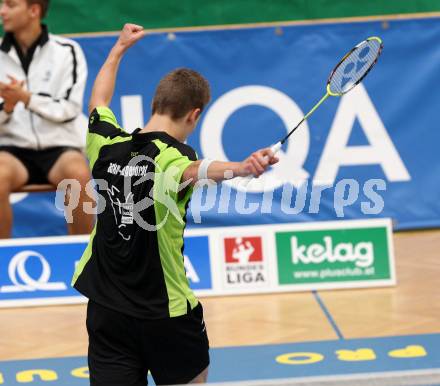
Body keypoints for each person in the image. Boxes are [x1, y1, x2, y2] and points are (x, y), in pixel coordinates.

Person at [71, 24, 279, 386]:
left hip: (106, 309)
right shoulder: (173, 158)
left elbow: (99, 102)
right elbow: (198, 170)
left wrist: (118, 49)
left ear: (156, 104)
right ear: (193, 115)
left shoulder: (104, 143)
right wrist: (243, 168)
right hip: (165, 312)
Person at [0, 0, 94, 238]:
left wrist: (26, 98)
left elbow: (69, 109)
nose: (2, 11)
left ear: (34, 11)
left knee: (79, 175)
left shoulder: (67, 51)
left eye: (10, 5)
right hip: (12, 150)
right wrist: (8, 107)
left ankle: (87, 261)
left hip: (60, 149)